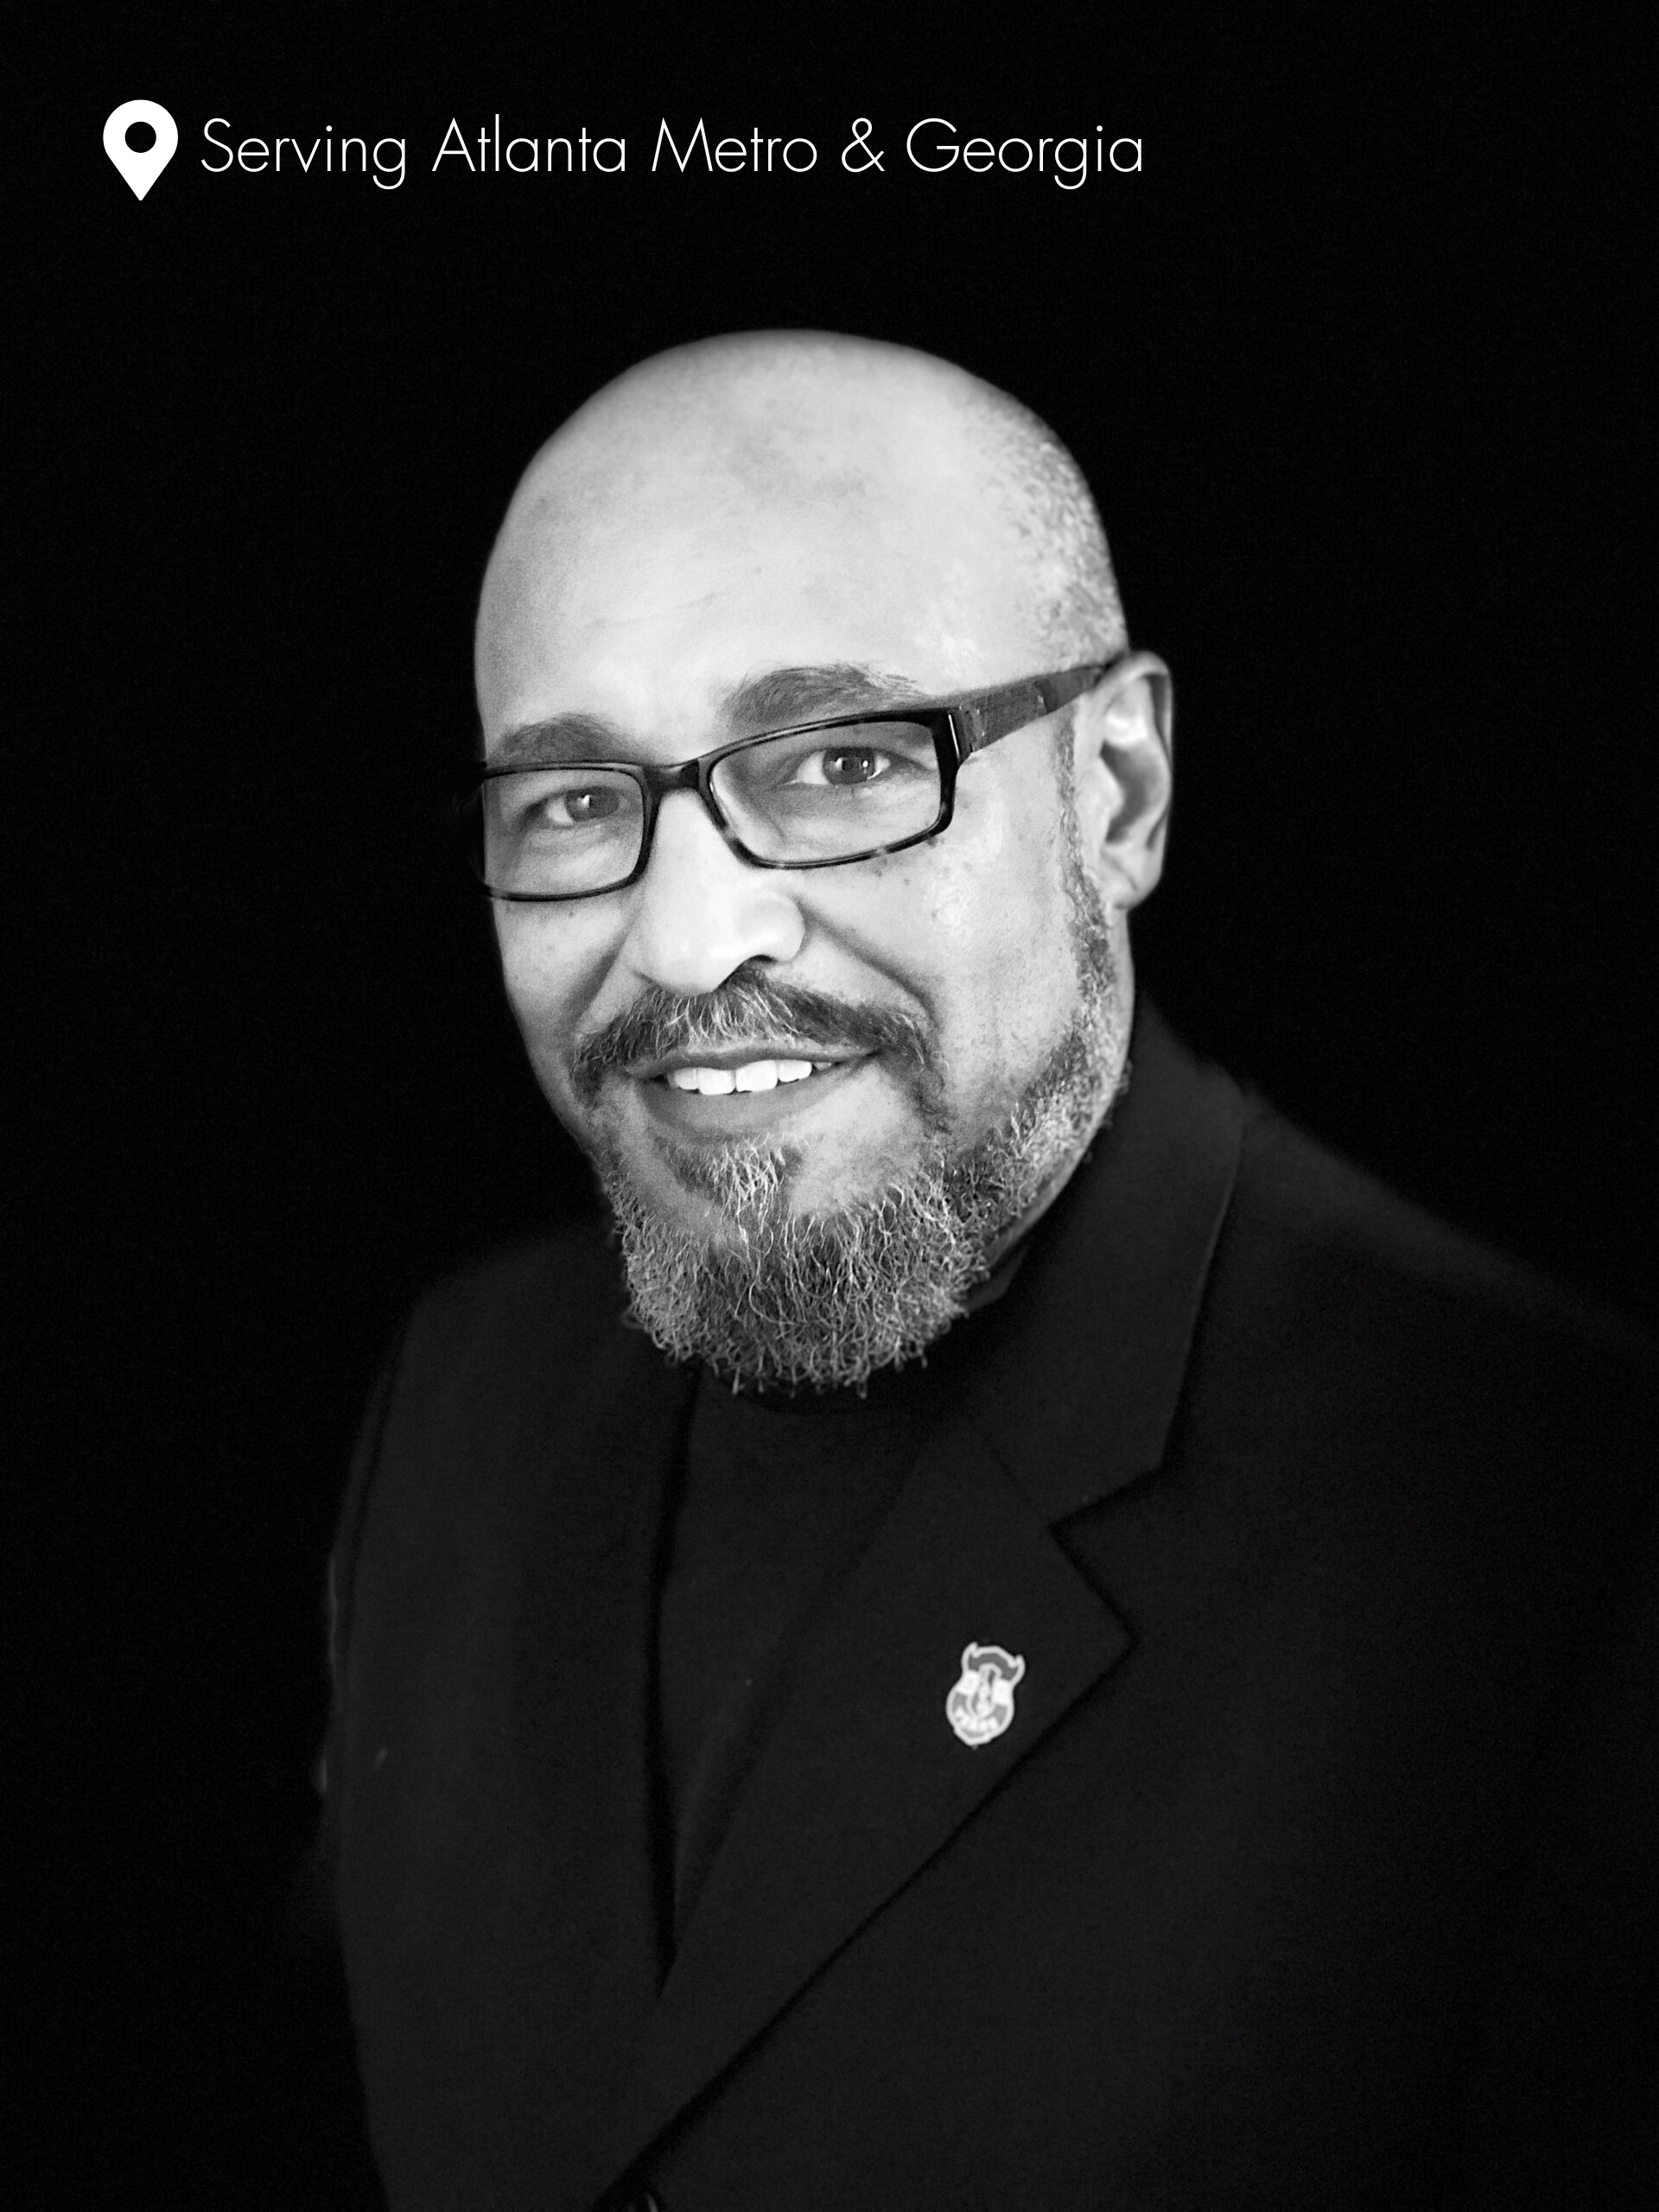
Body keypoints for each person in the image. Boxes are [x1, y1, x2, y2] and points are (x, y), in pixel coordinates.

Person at [315, 333, 1656, 2211]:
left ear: (1117, 792)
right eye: (576, 804)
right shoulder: (459, 1401)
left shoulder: (1556, 1525)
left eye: (846, 763)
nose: (691, 941)